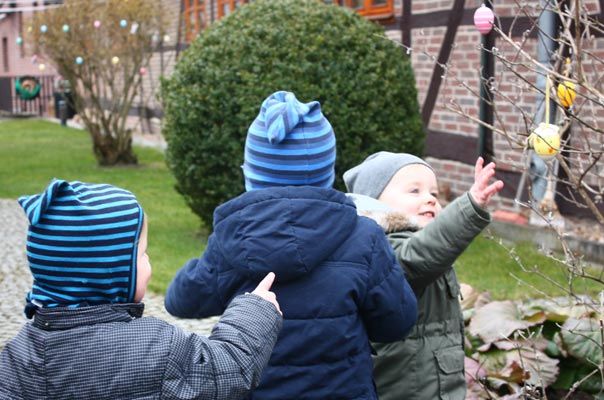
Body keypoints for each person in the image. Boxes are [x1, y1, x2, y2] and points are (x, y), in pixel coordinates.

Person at [165, 91, 418, 400]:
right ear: (328, 171)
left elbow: (181, 301)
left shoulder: (232, 240)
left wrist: (205, 265)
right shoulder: (364, 237)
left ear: (251, 173)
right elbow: (397, 323)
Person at [0, 179, 283, 400]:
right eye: (143, 254)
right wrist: (255, 309)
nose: (149, 263)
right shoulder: (156, 346)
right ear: (111, 270)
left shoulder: (17, 358)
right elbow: (227, 369)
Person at [344, 152, 504, 400]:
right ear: (374, 201)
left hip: (431, 382)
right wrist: (469, 207)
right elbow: (416, 259)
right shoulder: (381, 247)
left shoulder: (411, 240)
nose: (429, 199)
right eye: (414, 191)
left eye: (434, 194)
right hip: (405, 387)